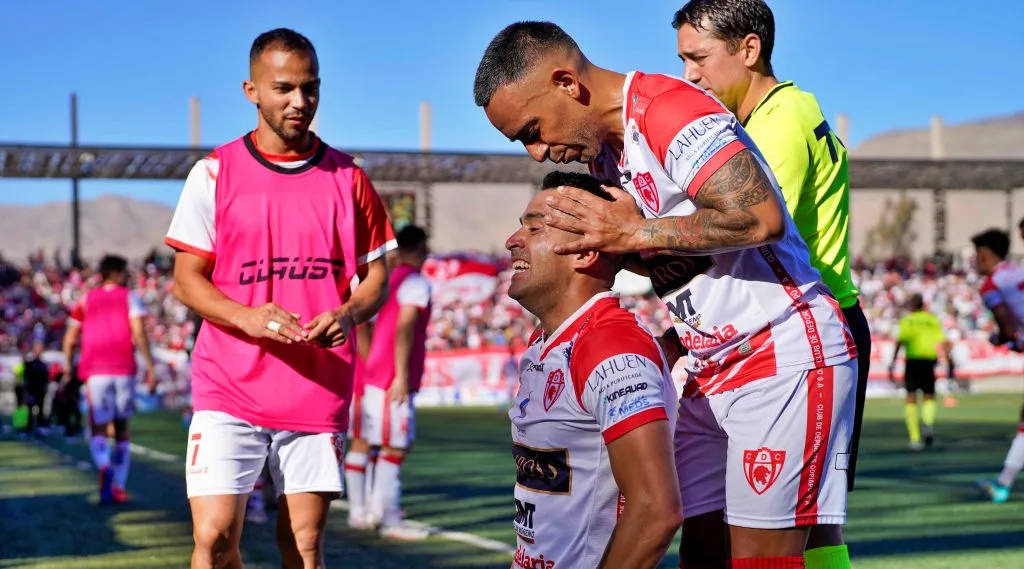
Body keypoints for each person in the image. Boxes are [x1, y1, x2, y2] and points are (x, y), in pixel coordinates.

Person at [474, 22, 859, 568]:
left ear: (566, 81)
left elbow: (760, 216)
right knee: (701, 551)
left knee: (761, 559)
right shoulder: (608, 156)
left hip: (780, 349)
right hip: (709, 364)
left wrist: (630, 233)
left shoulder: (667, 110)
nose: (537, 153)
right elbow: (666, 252)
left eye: (531, 129)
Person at [164, 28, 394, 569]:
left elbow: (376, 279)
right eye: (284, 88)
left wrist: (348, 311)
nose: (300, 102)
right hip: (229, 385)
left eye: (310, 89)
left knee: (304, 546)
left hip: (316, 387)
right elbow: (186, 280)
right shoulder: (213, 173)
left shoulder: (350, 177)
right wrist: (247, 317)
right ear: (252, 91)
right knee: (215, 539)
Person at [671, 3, 874, 564]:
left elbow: (747, 227)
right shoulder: (777, 115)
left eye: (699, 57)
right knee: (811, 524)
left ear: (749, 49)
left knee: (801, 525)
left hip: (805, 330)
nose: (690, 74)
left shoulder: (779, 119)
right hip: (791, 328)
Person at [508, 170, 682, 568]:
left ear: (586, 253)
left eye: (535, 229)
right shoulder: (546, 343)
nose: (512, 240)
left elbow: (656, 510)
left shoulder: (609, 346)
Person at [344, 225, 432, 541]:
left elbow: (366, 325)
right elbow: (405, 328)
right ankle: (388, 517)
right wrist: (400, 375)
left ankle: (367, 511)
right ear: (422, 248)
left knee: (374, 444)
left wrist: (373, 363)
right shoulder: (415, 282)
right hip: (391, 378)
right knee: (393, 447)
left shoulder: (390, 280)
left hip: (377, 374)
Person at [61, 254, 156, 505]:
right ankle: (119, 487)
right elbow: (138, 332)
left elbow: (70, 339)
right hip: (124, 369)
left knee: (98, 428)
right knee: (123, 429)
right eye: (125, 272)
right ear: (116, 272)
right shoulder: (129, 296)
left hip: (95, 371)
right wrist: (150, 366)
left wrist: (69, 367)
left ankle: (104, 466)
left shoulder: (85, 299)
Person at [970, 229, 1024, 504]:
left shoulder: (992, 285)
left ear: (984, 254)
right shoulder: (1018, 271)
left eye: (975, 255)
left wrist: (999, 339)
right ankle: (1002, 483)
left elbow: (1006, 328)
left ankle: (1002, 486)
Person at [889, 294, 949, 450]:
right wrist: (949, 361)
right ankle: (928, 424)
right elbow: (943, 342)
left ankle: (915, 438)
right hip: (929, 361)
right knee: (929, 395)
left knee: (911, 397)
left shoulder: (907, 320)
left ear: (911, 306)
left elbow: (900, 341)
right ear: (923, 305)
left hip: (912, 361)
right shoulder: (932, 320)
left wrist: (893, 361)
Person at [22, 340, 51, 436]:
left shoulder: (43, 365)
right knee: (29, 410)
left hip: (41, 390)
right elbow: (26, 377)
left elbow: (46, 378)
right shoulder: (29, 364)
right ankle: (27, 429)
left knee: (40, 409)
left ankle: (40, 428)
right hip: (31, 390)